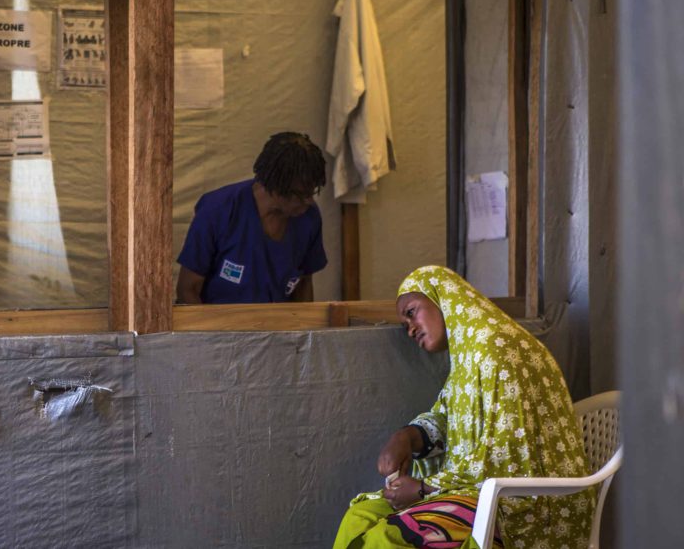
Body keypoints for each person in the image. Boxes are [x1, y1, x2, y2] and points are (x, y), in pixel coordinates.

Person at [334, 265, 594, 549]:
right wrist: (407, 437)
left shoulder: (498, 347)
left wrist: (423, 489)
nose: (410, 330)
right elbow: (447, 418)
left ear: (444, 297)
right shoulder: (468, 357)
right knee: (359, 517)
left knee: (389, 537)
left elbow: (505, 455)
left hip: (525, 505)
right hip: (472, 490)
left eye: (411, 312)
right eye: (405, 324)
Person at [176, 131, 328, 304]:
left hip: (278, 319)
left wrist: (303, 320)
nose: (308, 202)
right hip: (218, 319)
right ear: (274, 186)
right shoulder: (218, 210)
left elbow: (304, 283)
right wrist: (211, 323)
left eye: (311, 193)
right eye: (300, 195)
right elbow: (187, 290)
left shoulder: (309, 218)